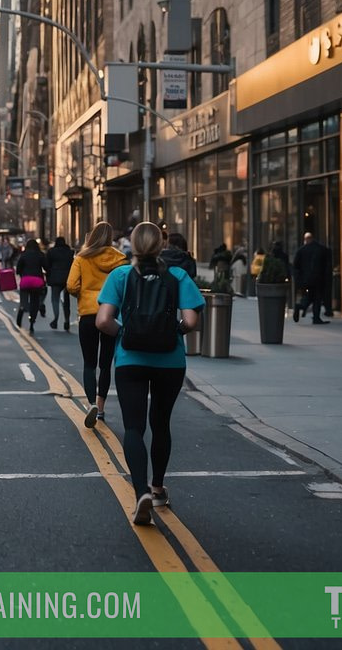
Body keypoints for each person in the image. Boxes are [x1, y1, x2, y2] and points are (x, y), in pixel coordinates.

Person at [95, 221, 205, 525]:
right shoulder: (178, 275)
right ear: (161, 245)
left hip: (131, 360)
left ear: (133, 244)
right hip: (169, 361)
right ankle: (157, 488)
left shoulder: (120, 275)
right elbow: (192, 321)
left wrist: (125, 334)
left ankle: (140, 490)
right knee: (161, 423)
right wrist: (174, 332)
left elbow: (103, 321)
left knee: (133, 428)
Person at [67, 222, 128, 427]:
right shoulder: (119, 259)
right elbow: (125, 286)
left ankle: (91, 403)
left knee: (89, 363)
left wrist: (82, 294)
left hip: (87, 315)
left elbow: (71, 285)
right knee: (105, 363)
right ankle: (101, 408)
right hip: (110, 314)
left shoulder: (81, 258)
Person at [292, 232, 331, 324]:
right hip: (318, 278)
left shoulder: (301, 250)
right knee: (317, 298)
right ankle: (316, 317)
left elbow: (295, 266)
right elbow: (326, 264)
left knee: (309, 297)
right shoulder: (321, 249)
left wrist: (299, 279)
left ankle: (300, 306)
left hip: (306, 279)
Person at [43, 236, 76, 330]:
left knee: (55, 299)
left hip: (55, 278)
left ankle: (56, 319)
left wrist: (49, 275)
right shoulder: (70, 252)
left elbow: (47, 265)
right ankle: (67, 320)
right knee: (67, 301)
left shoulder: (51, 252)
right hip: (67, 278)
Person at [14, 239, 46, 334]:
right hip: (37, 280)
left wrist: (21, 274)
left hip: (26, 280)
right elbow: (46, 266)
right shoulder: (40, 255)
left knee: (23, 299)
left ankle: (23, 307)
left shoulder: (24, 255)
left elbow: (18, 268)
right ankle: (32, 321)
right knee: (35, 301)